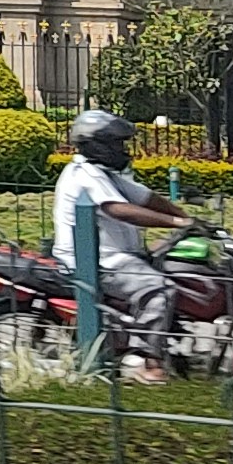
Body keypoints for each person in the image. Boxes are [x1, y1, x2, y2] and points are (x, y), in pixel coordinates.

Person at [53, 108, 189, 365]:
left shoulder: (106, 174)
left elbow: (146, 197)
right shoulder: (85, 175)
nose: (122, 149)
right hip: (98, 262)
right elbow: (119, 209)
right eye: (116, 143)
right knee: (160, 290)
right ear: (97, 145)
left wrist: (186, 217)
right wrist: (176, 222)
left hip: (118, 257)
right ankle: (148, 360)